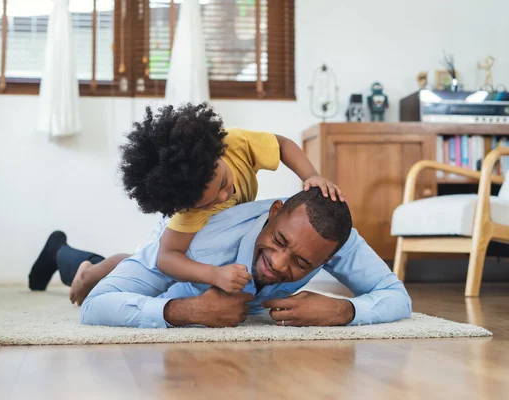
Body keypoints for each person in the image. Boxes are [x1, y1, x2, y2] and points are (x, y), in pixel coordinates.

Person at [29, 103, 345, 303]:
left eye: (223, 184)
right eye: (210, 202)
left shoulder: (235, 143)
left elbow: (283, 145)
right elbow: (167, 257)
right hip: (174, 244)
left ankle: (69, 257)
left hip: (199, 244)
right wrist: (213, 275)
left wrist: (312, 175)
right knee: (140, 264)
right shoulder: (187, 212)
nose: (225, 197)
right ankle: (81, 270)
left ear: (216, 152)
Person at [28, 189, 412, 328]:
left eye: (300, 264)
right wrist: (189, 312)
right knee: (99, 283)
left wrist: (344, 312)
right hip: (172, 262)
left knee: (131, 265)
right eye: (279, 241)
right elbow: (95, 308)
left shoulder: (335, 237)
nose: (279, 264)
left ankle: (112, 262)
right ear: (275, 211)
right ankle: (69, 257)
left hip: (178, 271)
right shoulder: (202, 237)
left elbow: (397, 297)